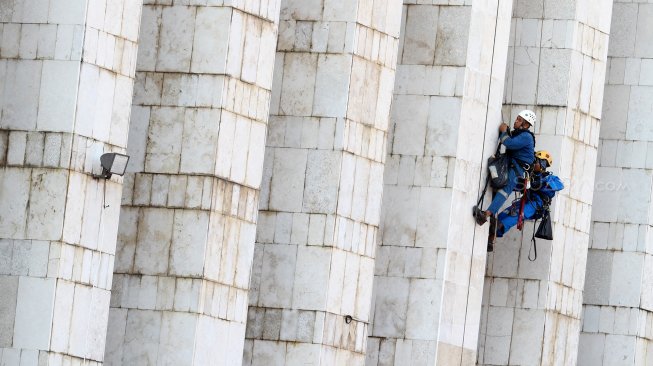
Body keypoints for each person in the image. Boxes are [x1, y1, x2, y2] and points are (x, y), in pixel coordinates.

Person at [487, 151, 564, 248]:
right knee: (504, 215)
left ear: (543, 163)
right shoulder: (529, 176)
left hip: (536, 205)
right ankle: (490, 239)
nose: (533, 163)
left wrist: (544, 183)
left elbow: (560, 185)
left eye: (535, 161)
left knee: (515, 215)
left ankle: (496, 228)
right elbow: (517, 185)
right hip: (526, 201)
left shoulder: (550, 178)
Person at [473, 110, 537, 226]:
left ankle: (486, 214)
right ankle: (488, 214)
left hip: (517, 168)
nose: (516, 121)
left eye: (519, 120)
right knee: (495, 175)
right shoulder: (519, 134)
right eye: (517, 118)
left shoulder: (526, 136)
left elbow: (509, 143)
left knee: (504, 191)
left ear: (526, 124)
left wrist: (503, 132)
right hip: (510, 164)